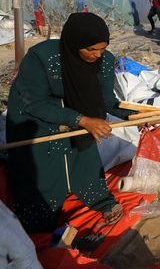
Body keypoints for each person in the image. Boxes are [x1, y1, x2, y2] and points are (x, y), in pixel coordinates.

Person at [6, 13, 137, 233]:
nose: (98, 55)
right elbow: (34, 102)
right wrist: (82, 119)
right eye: (91, 49)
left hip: (76, 109)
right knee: (40, 167)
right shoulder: (42, 57)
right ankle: (39, 220)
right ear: (75, 43)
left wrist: (134, 115)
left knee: (83, 155)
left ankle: (99, 200)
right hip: (31, 113)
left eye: (102, 49)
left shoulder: (104, 61)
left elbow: (107, 100)